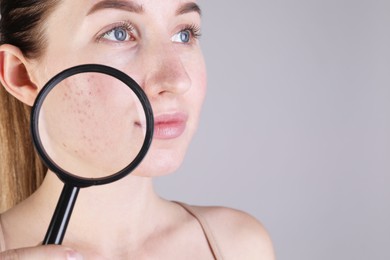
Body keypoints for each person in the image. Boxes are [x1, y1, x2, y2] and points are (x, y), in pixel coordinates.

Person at [0, 0, 275, 259]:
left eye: (184, 34)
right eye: (119, 33)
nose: (178, 80)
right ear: (21, 76)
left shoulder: (239, 245)